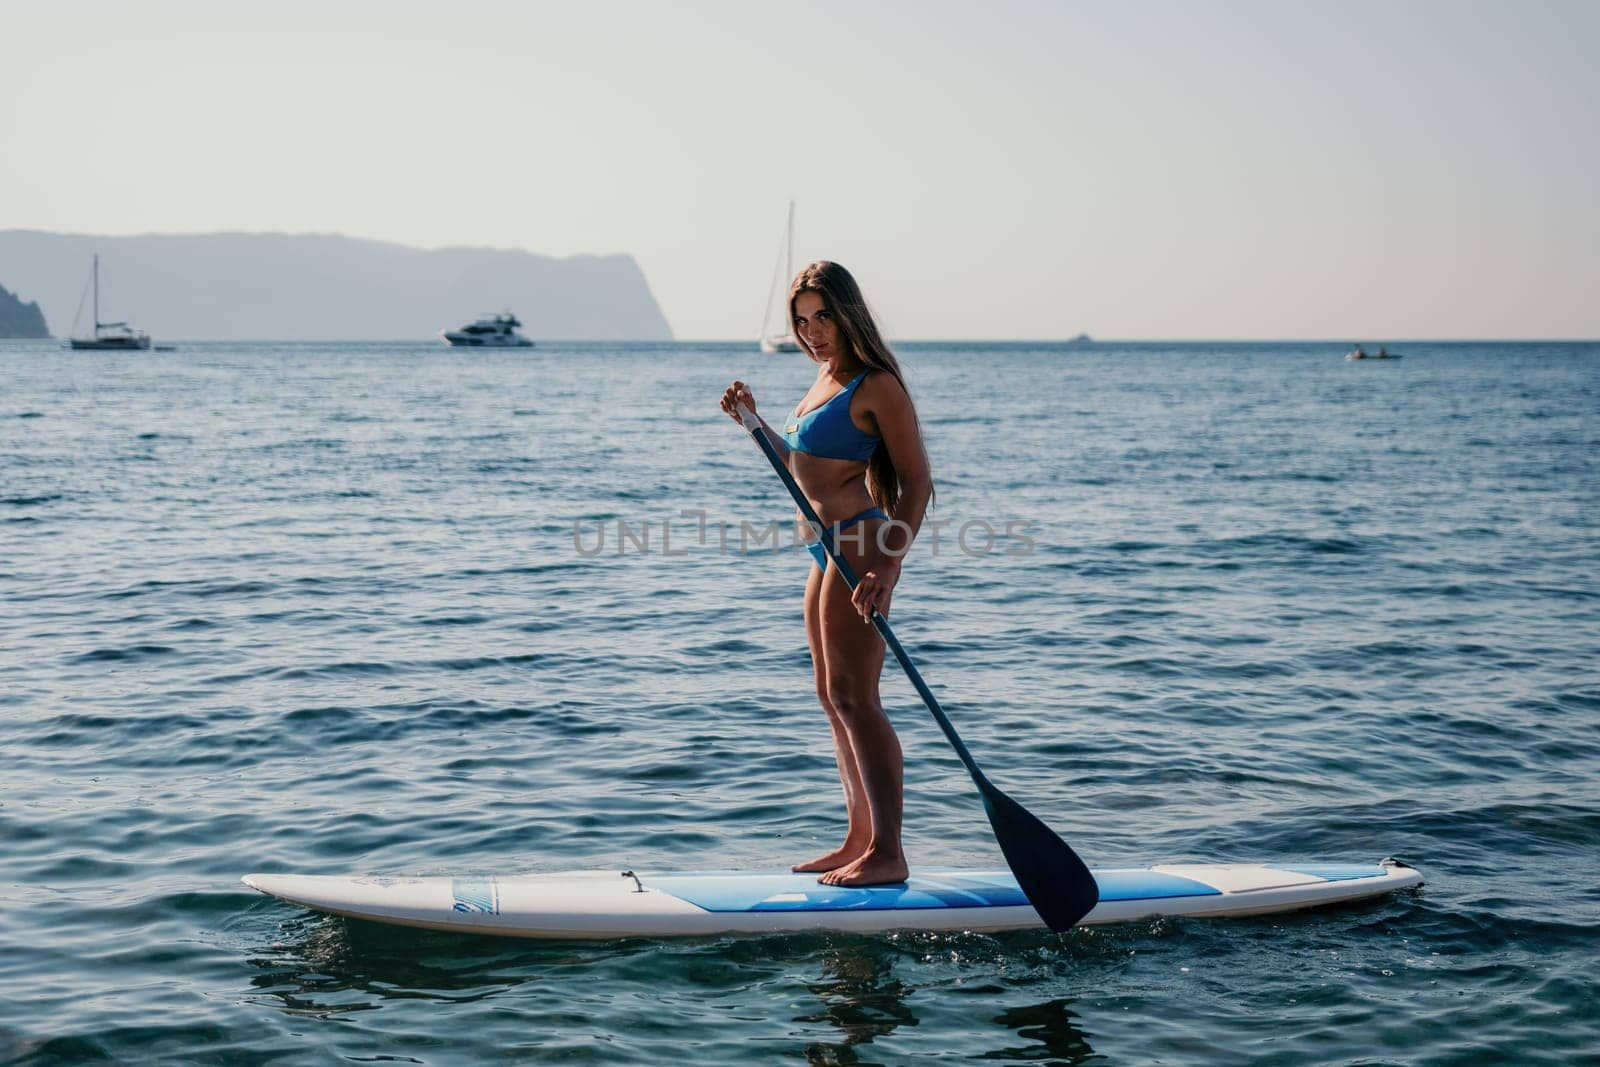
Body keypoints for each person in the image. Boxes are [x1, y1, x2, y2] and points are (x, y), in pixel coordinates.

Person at [720, 261, 933, 887]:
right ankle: (859, 837)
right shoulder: (823, 377)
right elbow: (806, 466)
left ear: (848, 314)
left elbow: (917, 482)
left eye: (823, 317)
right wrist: (754, 422)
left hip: (861, 546)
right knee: (831, 695)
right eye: (802, 321)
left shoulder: (877, 385)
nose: (813, 331)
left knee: (857, 698)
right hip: (824, 550)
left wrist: (889, 567)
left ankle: (889, 852)